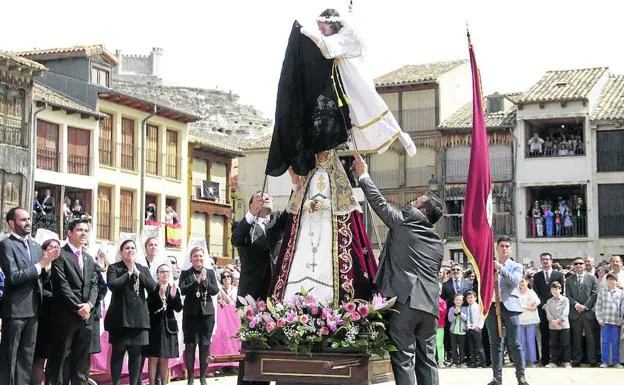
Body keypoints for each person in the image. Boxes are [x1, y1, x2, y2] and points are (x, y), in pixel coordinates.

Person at [353, 152, 444, 385]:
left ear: (422, 212)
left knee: (403, 358)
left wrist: (364, 176)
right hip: (429, 306)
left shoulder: (408, 221)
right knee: (428, 361)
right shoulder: (436, 241)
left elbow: (380, 205)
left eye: (417, 201)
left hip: (406, 301)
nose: (412, 201)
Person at [299, 8, 416, 156]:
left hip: (357, 81)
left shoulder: (347, 36)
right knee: (357, 114)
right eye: (319, 29)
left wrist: (307, 33)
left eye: (323, 28)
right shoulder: (337, 37)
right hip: (347, 85)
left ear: (332, 24)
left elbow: (328, 50)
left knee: (374, 108)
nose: (321, 32)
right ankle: (368, 143)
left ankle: (401, 135)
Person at [269, 150, 378, 307]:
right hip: (307, 228)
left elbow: (345, 203)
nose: (322, 155)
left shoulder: (337, 176)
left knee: (327, 262)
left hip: (329, 229)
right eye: (319, 152)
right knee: (301, 259)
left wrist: (324, 204)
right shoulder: (309, 175)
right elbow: (295, 206)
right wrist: (299, 188)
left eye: (325, 152)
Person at [0, 207, 58, 385]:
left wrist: (47, 267)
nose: (28, 223)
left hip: (34, 310)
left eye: (29, 219)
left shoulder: (34, 246)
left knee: (27, 356)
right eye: (23, 220)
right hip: (15, 310)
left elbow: (43, 278)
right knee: (10, 357)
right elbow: (14, 276)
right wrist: (41, 265)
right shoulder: (6, 245)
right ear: (12, 223)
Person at [46, 218, 99, 385]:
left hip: (86, 318)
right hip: (65, 316)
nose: (83, 233)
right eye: (79, 230)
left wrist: (89, 305)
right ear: (69, 233)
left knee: (82, 362)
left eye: (85, 230)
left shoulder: (89, 258)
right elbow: (62, 286)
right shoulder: (60, 255)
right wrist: (78, 307)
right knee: (59, 359)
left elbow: (94, 284)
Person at [104, 239, 158, 385]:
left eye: (133, 248)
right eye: (127, 248)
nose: (130, 250)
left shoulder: (142, 268)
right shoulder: (115, 268)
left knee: (136, 357)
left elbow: (153, 289)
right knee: (118, 355)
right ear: (121, 251)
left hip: (139, 321)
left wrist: (139, 274)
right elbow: (112, 285)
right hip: (120, 320)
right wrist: (127, 274)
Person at [485, 236, 528, 385]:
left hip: (511, 308)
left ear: (510, 249)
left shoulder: (516, 266)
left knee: (514, 343)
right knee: (495, 344)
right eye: (502, 246)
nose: (504, 248)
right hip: (493, 306)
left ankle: (520, 376)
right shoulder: (489, 265)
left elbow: (514, 281)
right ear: (497, 248)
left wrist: (500, 269)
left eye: (507, 246)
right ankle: (497, 378)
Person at [179, 246, 219, 385]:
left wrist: (205, 281)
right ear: (191, 259)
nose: (198, 259)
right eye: (195, 256)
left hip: (207, 314)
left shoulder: (210, 272)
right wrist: (196, 282)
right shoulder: (186, 273)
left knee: (205, 346)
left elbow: (215, 291)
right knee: (190, 346)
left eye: (200, 256)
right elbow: (183, 290)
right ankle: (190, 377)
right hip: (190, 315)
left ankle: (203, 377)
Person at [146, 263, 183, 385]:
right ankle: (152, 382)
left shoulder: (173, 288)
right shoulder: (152, 288)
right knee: (153, 357)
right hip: (155, 326)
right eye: (162, 272)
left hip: (168, 326)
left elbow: (178, 308)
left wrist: (172, 297)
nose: (165, 274)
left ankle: (164, 382)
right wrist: (159, 295)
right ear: (157, 274)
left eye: (167, 272)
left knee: (165, 357)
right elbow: (149, 306)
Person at [32, 238, 61, 385]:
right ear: (44, 250)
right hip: (42, 317)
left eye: (57, 247)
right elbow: (41, 291)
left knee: (56, 358)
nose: (55, 249)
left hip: (59, 319)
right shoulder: (39, 266)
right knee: (40, 357)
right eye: (51, 246)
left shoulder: (62, 267)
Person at [531, 252, 565, 366]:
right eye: (543, 259)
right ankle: (545, 359)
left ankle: (558, 359)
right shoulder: (537, 276)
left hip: (557, 310)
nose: (545, 261)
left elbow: (562, 292)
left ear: (551, 261)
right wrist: (544, 305)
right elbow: (535, 292)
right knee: (544, 335)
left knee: (556, 335)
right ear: (541, 261)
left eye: (547, 259)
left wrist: (554, 306)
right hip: (543, 310)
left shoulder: (558, 275)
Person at [565, 257, 598, 367]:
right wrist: (576, 305)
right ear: (573, 266)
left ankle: (592, 360)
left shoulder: (592, 278)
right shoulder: (569, 280)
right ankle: (576, 360)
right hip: (575, 312)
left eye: (581, 263)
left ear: (585, 265)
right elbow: (568, 295)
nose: (578, 265)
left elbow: (594, 294)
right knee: (576, 337)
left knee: (590, 338)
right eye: (576, 264)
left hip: (588, 312)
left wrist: (585, 306)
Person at [595, 273, 624, 368]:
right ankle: (605, 361)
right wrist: (599, 319)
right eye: (609, 279)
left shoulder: (621, 293)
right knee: (605, 342)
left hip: (616, 322)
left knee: (616, 342)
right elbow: (598, 306)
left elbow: (622, 307)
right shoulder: (602, 292)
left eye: (613, 279)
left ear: (616, 281)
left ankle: (616, 362)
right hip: (605, 321)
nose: (611, 281)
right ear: (606, 281)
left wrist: (621, 319)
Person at [543, 281, 571, 367]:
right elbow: (548, 313)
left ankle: (567, 361)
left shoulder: (565, 300)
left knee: (565, 344)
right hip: (552, 326)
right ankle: (554, 362)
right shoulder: (549, 301)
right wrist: (553, 322)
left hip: (564, 325)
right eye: (552, 289)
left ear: (560, 290)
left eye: (556, 289)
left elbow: (565, 312)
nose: (554, 291)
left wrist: (558, 321)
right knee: (554, 344)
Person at [518, 277, 541, 367]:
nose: (521, 283)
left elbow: (536, 303)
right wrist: (527, 307)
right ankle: (522, 361)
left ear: (527, 282)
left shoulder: (531, 292)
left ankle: (533, 361)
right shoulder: (516, 293)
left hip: (531, 319)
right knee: (521, 342)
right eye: (520, 282)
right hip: (520, 319)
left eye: (523, 281)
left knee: (531, 341)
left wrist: (528, 307)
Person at [464, 291, 486, 368]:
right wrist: (467, 325)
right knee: (471, 347)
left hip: (477, 329)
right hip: (469, 329)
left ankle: (483, 362)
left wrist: (479, 327)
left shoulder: (478, 306)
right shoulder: (467, 308)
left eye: (471, 297)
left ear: (475, 298)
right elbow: (468, 318)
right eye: (468, 298)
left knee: (479, 347)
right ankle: (474, 362)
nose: (470, 299)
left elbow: (482, 317)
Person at [448, 293, 467, 368]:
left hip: (462, 331)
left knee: (462, 348)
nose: (458, 301)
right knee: (453, 347)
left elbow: (466, 318)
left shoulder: (465, 308)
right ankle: (454, 362)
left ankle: (462, 362)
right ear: (454, 301)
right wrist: (455, 314)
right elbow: (450, 319)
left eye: (460, 300)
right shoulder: (451, 309)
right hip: (453, 331)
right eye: (456, 300)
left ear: (462, 301)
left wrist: (460, 313)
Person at [436, 295, 448, 368]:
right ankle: (432, 360)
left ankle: (441, 361)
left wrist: (436, 306)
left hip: (440, 326)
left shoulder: (442, 301)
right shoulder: (429, 299)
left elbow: (444, 312)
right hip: (430, 326)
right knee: (431, 345)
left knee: (440, 345)